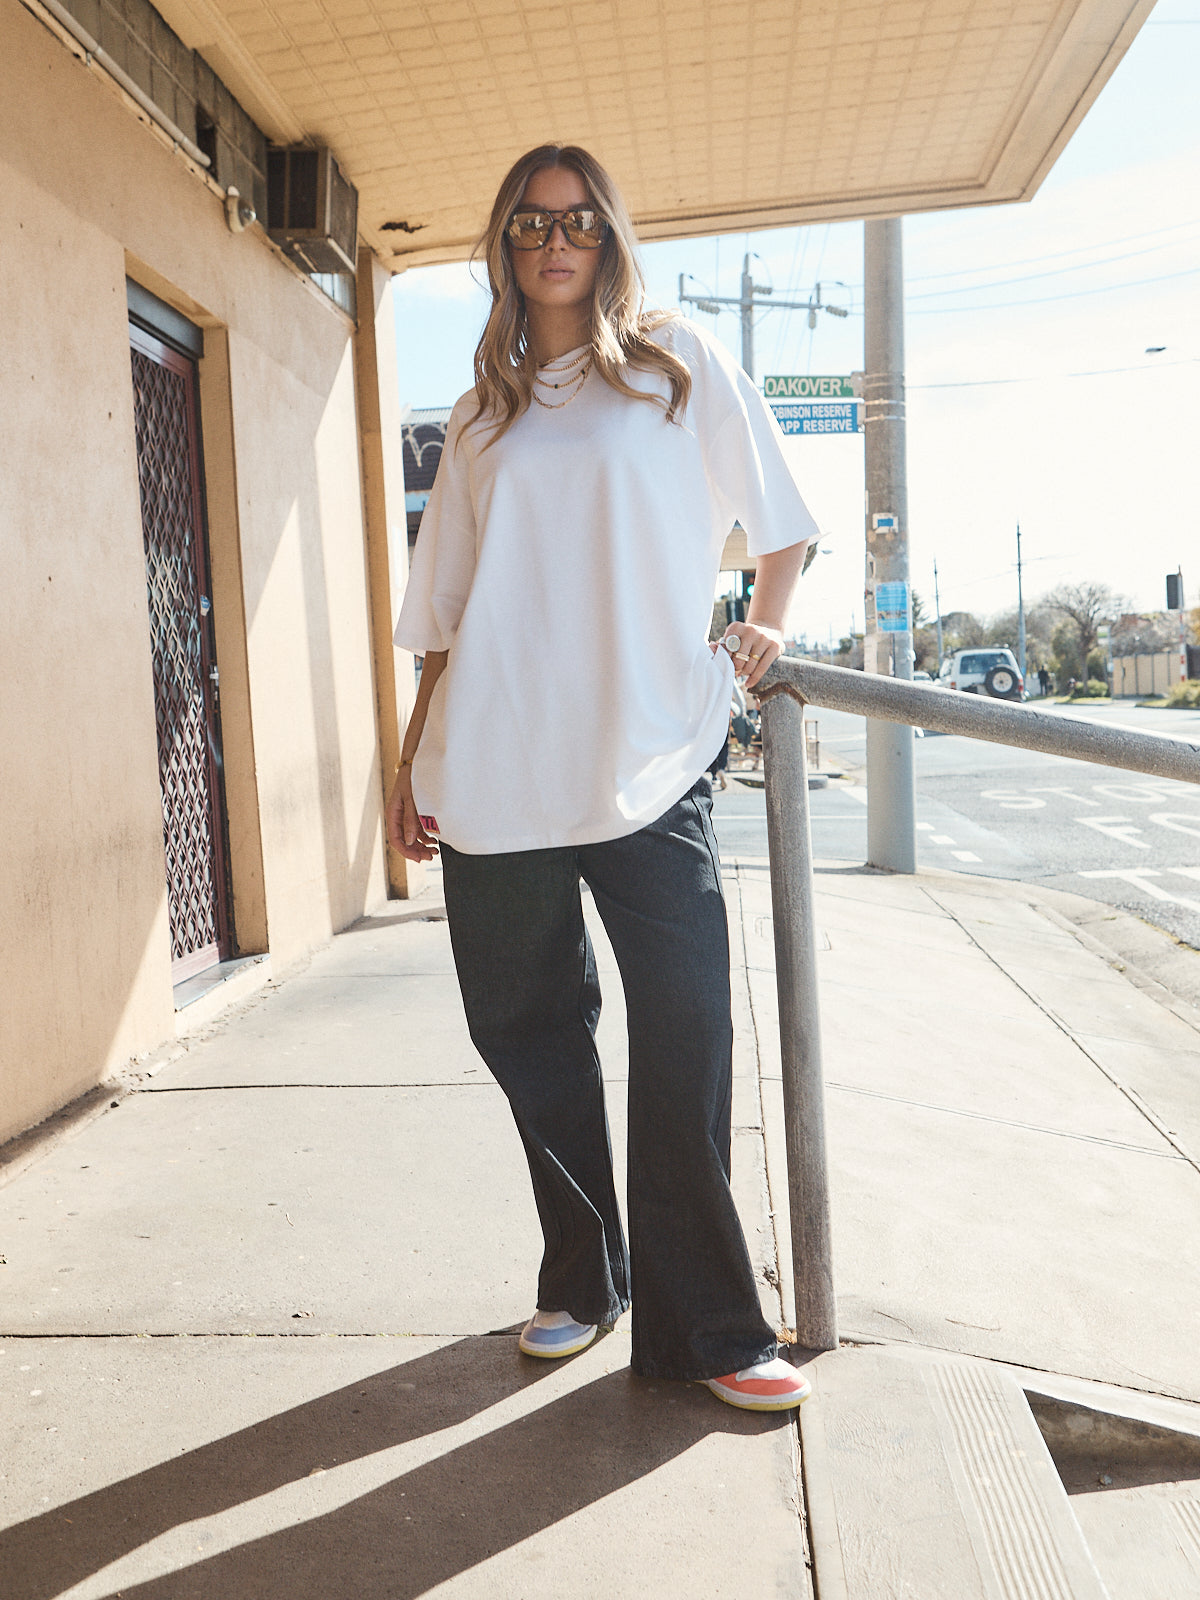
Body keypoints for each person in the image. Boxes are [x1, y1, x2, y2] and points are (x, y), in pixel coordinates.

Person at [386, 143, 819, 1412]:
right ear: (506, 248)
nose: (555, 239)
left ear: (610, 235)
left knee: (685, 1033)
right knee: (527, 1033)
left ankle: (711, 1325)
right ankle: (585, 1273)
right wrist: (412, 755)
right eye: (530, 222)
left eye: (577, 219)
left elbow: (782, 519)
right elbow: (448, 612)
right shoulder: (482, 415)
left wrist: (768, 623)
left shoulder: (678, 364)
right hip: (498, 763)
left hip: (652, 753)